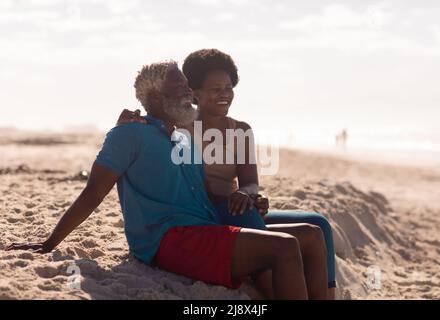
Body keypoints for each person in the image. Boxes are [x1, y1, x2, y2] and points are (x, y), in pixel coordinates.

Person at [6, 60, 327, 299]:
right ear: (155, 96)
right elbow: (92, 194)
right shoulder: (129, 133)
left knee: (311, 235)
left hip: (206, 226)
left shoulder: (183, 138)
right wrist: (50, 242)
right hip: (169, 238)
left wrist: (250, 197)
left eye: (189, 87)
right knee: (284, 248)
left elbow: (207, 191)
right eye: (180, 88)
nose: (190, 93)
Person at [117, 49, 336, 299]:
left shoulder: (240, 130)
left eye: (228, 87)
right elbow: (149, 122)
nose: (225, 94)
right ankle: (272, 280)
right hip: (205, 213)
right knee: (266, 229)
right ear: (194, 92)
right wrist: (127, 119)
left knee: (318, 225)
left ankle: (329, 297)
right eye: (215, 89)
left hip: (235, 209)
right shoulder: (179, 127)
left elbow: (250, 182)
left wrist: (248, 194)